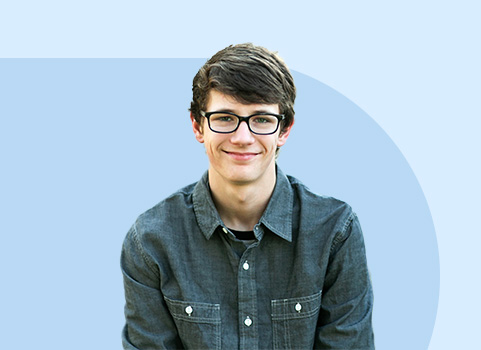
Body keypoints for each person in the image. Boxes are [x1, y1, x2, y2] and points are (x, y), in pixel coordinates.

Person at [121, 43, 374, 349]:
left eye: (261, 119)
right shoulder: (151, 240)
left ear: (285, 129)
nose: (242, 138)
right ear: (197, 125)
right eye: (225, 118)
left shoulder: (335, 231)